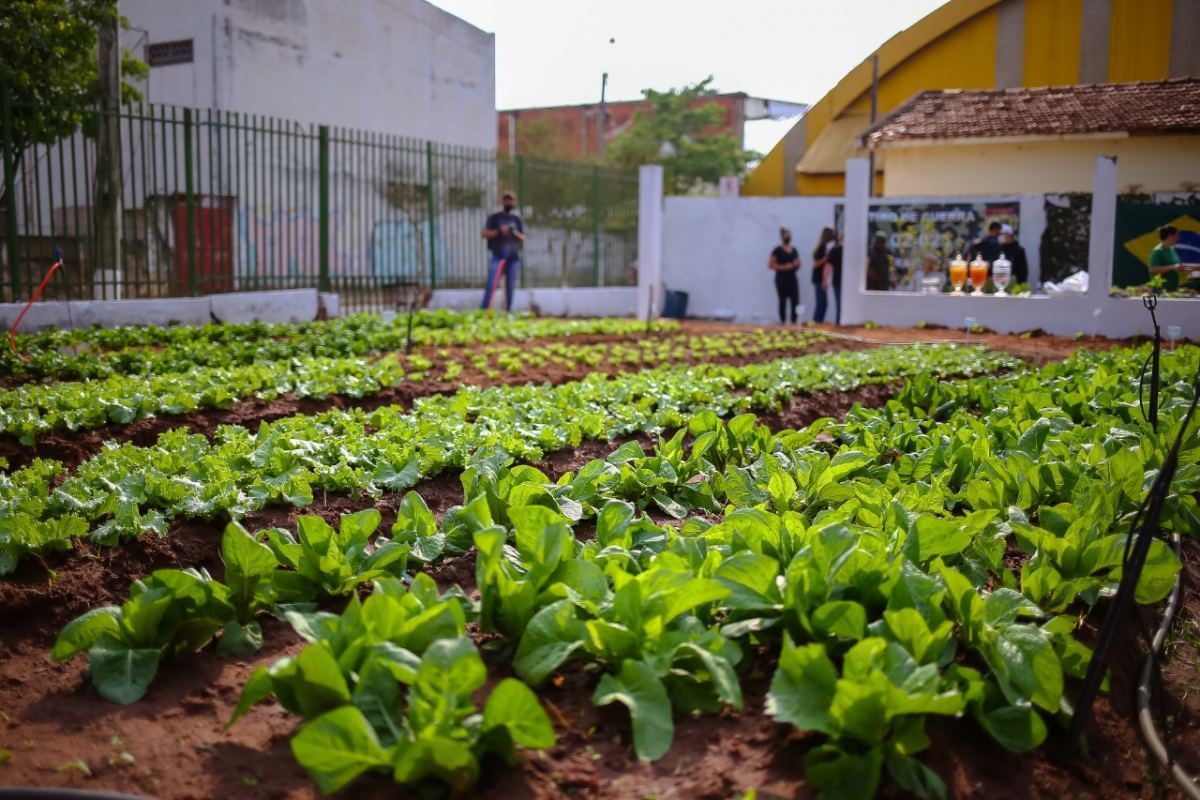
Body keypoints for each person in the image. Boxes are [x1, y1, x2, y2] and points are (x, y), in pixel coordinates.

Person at [481, 191, 525, 311]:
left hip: (513, 258)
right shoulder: (494, 218)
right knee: (492, 284)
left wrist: (514, 233)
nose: (508, 202)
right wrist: (500, 231)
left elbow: (523, 238)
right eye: (506, 200)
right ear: (502, 201)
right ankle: (484, 310)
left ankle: (508, 311)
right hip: (498, 256)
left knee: (510, 287)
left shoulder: (516, 219)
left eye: (511, 200)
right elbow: (484, 233)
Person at [1148, 225, 1200, 291]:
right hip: (1160, 291)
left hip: (1172, 290)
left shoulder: (1171, 250)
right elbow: (1152, 269)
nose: (1178, 238)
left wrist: (1195, 268)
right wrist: (1172, 267)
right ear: (1169, 236)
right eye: (1176, 235)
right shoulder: (1158, 251)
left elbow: (1179, 267)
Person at [768, 227, 802, 323]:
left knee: (795, 300)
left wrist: (797, 264)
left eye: (789, 234)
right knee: (782, 300)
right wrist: (785, 267)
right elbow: (771, 265)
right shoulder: (777, 250)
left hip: (792, 278)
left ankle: (793, 322)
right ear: (782, 236)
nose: (788, 236)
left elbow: (798, 263)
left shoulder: (794, 250)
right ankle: (782, 322)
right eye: (786, 234)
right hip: (781, 279)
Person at [810, 226, 836, 322]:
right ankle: (817, 323)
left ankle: (818, 322)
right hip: (818, 279)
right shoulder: (822, 247)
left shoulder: (823, 246)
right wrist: (826, 258)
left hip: (819, 279)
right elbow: (815, 264)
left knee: (822, 303)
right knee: (821, 303)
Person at [826, 232, 844, 324]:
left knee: (841, 307)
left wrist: (825, 280)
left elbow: (828, 266)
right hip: (838, 282)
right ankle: (839, 326)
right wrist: (824, 280)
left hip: (843, 283)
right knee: (840, 306)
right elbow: (828, 266)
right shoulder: (835, 250)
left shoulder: (836, 250)